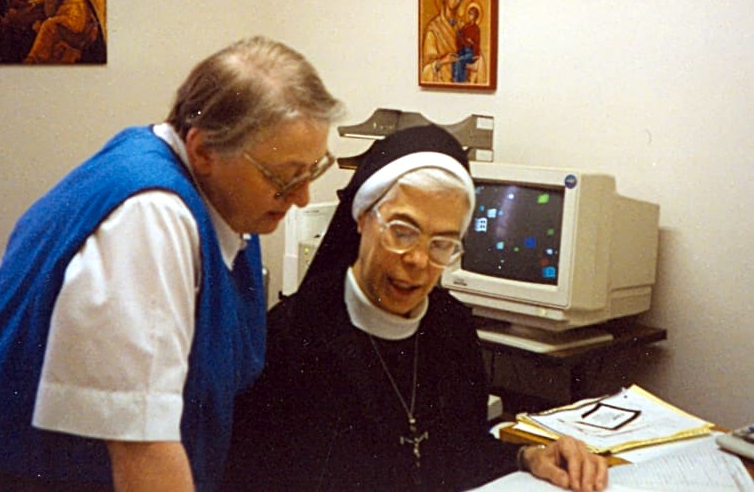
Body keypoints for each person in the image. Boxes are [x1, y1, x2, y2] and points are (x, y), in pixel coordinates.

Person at [0, 36, 343, 492]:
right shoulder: (150, 218)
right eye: (284, 176)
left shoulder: (227, 202)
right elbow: (141, 452)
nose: (301, 197)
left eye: (312, 170)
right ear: (204, 151)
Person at [221, 125, 608, 492]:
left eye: (443, 243)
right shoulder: (289, 341)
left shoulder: (452, 327)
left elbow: (456, 457)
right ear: (361, 217)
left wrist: (529, 456)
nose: (420, 261)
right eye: (403, 232)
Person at [421, 0, 467, 84]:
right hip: (442, 79)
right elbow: (426, 69)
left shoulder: (462, 26)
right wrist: (443, 61)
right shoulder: (433, 29)